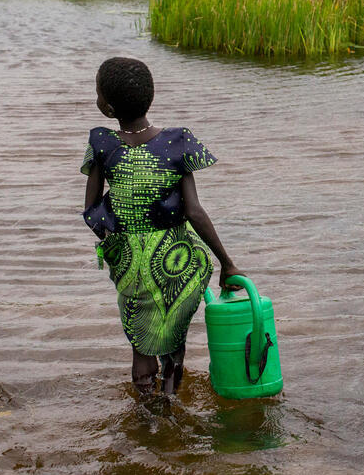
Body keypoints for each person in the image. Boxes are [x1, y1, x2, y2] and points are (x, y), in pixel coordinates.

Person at [82, 57, 243, 395]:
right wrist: (227, 263)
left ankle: (146, 417)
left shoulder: (102, 143)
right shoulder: (177, 142)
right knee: (172, 338)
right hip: (176, 261)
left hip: (132, 264)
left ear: (108, 108)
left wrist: (115, 242)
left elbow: (91, 209)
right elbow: (195, 212)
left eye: (97, 93)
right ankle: (170, 405)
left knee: (141, 343)